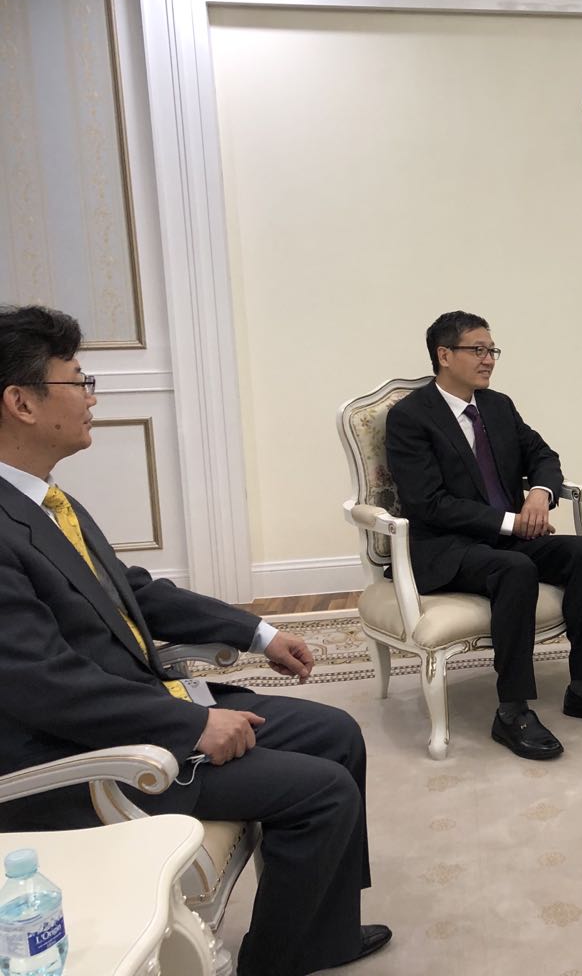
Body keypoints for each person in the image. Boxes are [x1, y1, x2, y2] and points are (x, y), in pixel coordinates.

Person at [0, 306, 390, 976]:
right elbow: (45, 686)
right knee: (321, 791)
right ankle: (275, 964)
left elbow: (132, 591)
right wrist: (190, 725)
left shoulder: (41, 500)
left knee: (336, 733)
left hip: (139, 704)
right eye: (78, 381)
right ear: (22, 402)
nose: (92, 398)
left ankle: (319, 936)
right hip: (82, 754)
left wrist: (259, 632)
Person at [385, 310, 582, 761]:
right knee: (515, 568)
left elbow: (542, 455)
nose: (488, 360)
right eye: (477, 350)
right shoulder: (410, 418)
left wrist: (540, 494)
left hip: (506, 538)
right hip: (445, 547)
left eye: (492, 351)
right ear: (444, 355)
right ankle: (512, 710)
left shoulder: (497, 406)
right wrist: (511, 522)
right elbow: (429, 503)